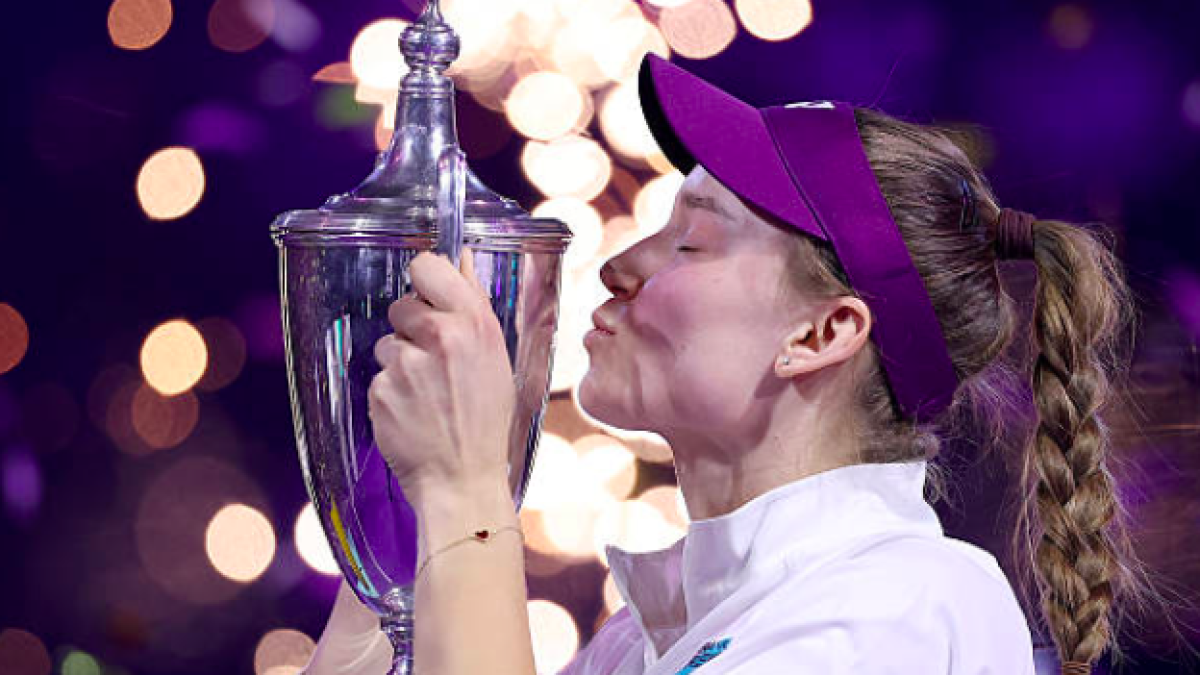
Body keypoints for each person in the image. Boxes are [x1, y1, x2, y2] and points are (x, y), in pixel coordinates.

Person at [302, 53, 1146, 675]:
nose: (617, 266)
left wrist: (465, 489)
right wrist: (398, 541)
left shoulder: (903, 609)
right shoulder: (642, 639)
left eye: (692, 240)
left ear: (822, 333)